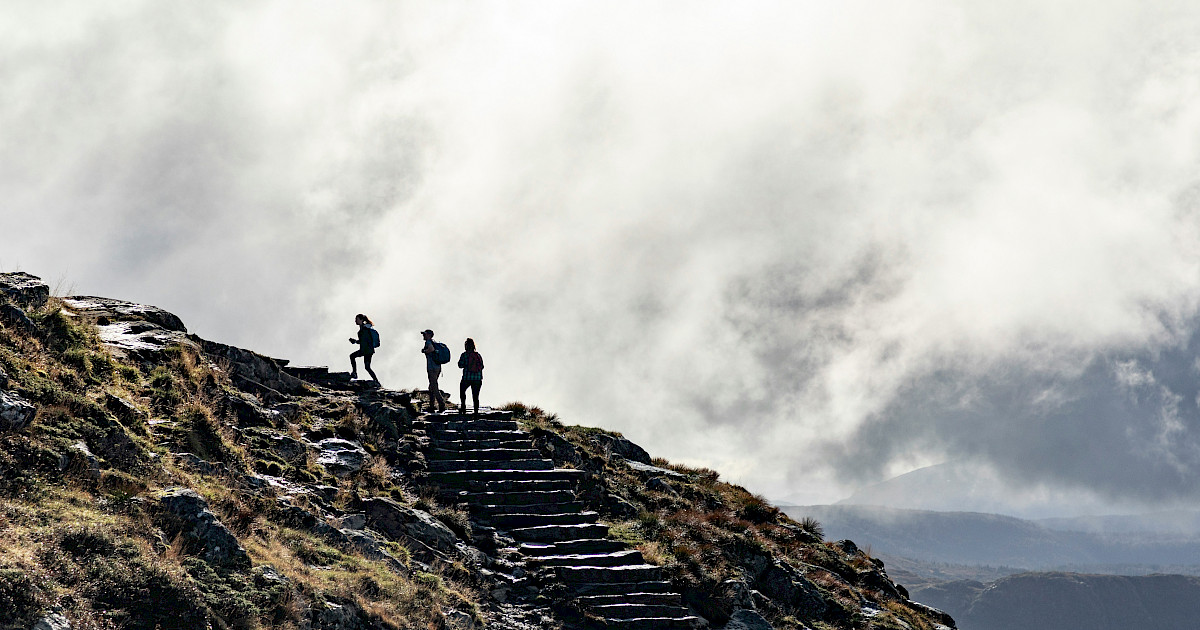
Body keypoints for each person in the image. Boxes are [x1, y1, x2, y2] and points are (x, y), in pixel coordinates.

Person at [348, 314, 379, 385]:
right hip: (369, 350)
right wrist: (355, 341)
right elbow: (364, 341)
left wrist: (355, 341)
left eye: (356, 319)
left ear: (361, 320)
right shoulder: (365, 328)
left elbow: (364, 341)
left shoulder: (364, 329)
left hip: (365, 350)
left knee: (352, 356)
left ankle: (354, 373)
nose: (355, 321)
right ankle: (376, 382)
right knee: (367, 367)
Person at [421, 329, 447, 413]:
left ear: (429, 335)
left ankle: (441, 404)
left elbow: (431, 349)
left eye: (425, 334)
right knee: (431, 387)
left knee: (434, 387)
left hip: (432, 368)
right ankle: (431, 406)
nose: (423, 336)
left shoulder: (428, 342)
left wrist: (424, 351)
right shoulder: (434, 342)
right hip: (437, 367)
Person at [457, 338, 484, 417]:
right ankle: (476, 411)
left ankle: (463, 407)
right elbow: (482, 366)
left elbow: (460, 365)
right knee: (475, 396)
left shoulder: (464, 355)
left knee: (462, 391)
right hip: (477, 379)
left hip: (467, 378)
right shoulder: (478, 355)